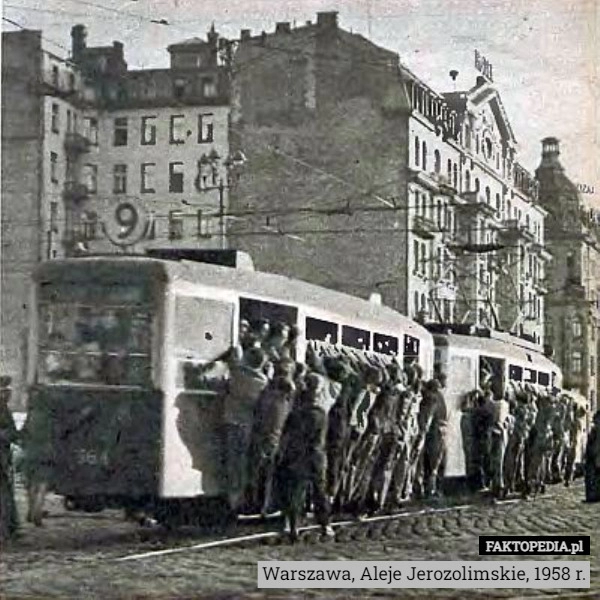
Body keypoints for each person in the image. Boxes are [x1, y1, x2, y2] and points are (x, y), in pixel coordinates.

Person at [277, 373, 334, 542]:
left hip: (297, 455)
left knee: (296, 491)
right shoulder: (321, 412)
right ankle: (326, 525)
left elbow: (286, 436)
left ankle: (293, 527)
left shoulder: (295, 413)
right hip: (316, 455)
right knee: (320, 492)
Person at [221, 346, 269, 510]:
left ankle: (233, 499)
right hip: (248, 425)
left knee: (233, 462)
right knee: (241, 463)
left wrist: (235, 351)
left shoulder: (238, 374)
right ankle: (240, 499)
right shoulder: (262, 381)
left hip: (232, 422)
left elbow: (232, 361)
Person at [246, 362, 296, 516]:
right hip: (274, 440)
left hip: (259, 437)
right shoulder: (283, 403)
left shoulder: (265, 396)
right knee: (269, 475)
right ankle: (266, 507)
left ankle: (254, 504)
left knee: (257, 473)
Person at [0, 376, 19, 542]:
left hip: (3, 457)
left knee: (5, 494)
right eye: (5, 391)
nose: (8, 394)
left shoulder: (3, 409)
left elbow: (11, 432)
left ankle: (9, 529)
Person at [584, 410, 600, 503]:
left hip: (595, 456)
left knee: (593, 476)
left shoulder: (597, 430)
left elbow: (596, 445)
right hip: (593, 456)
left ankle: (594, 494)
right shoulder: (595, 429)